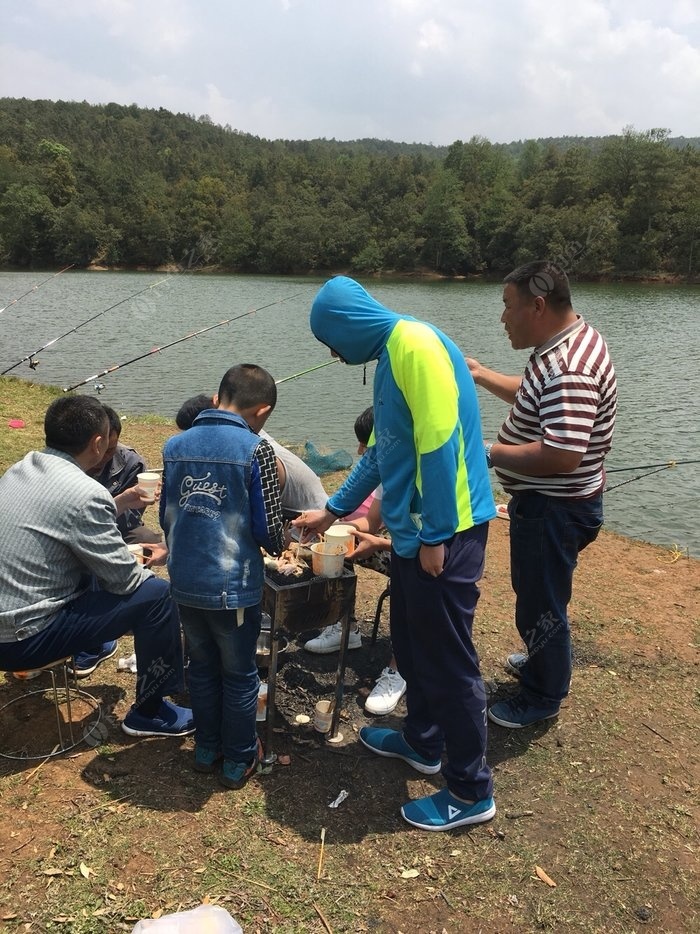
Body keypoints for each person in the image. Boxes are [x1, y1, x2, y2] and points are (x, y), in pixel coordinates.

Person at [293, 276, 497, 832]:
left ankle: (470, 790)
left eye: (332, 343)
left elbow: (438, 441)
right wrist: (332, 512)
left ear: (348, 326)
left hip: (446, 531)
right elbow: (383, 452)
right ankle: (423, 741)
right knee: (411, 640)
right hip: (417, 531)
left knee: (448, 660)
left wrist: (435, 536)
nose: (334, 355)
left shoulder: (417, 345)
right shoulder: (389, 358)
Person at [468, 260, 617, 729]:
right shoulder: (562, 346)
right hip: (557, 502)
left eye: (508, 307)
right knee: (542, 594)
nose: (503, 318)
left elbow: (562, 453)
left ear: (537, 305)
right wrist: (481, 373)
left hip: (556, 507)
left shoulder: (568, 365)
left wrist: (489, 452)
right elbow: (535, 396)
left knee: (539, 602)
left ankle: (542, 694)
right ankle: (542, 662)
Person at [0, 395, 193, 737]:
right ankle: (149, 713)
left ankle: (94, 646)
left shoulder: (22, 467)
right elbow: (125, 580)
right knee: (158, 595)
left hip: (11, 619)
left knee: (89, 569)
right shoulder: (85, 492)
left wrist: (118, 504)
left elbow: (62, 523)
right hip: (21, 640)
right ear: (99, 442)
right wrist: (149, 557)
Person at [160, 365, 285, 789]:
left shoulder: (174, 445)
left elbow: (166, 516)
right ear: (262, 409)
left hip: (184, 581)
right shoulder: (256, 449)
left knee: (200, 666)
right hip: (231, 587)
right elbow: (268, 526)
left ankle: (206, 748)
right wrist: (281, 543)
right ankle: (238, 758)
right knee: (239, 674)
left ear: (217, 398)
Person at [304, 406, 406, 716]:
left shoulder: (422, 470)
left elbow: (434, 544)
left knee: (409, 577)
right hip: (392, 543)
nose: (360, 451)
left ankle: (400, 669)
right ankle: (345, 628)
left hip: (426, 556)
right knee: (335, 545)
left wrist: (382, 544)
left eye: (366, 443)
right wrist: (331, 528)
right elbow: (370, 524)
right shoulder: (384, 473)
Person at [175, 393, 328, 516]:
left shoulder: (253, 451)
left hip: (309, 517)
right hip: (282, 510)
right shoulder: (240, 430)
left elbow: (254, 514)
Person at [88, 404, 162, 545]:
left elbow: (130, 520)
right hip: (75, 529)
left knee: (147, 541)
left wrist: (125, 501)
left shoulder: (132, 463)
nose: (101, 456)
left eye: (109, 450)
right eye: (97, 449)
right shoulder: (70, 460)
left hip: (115, 527)